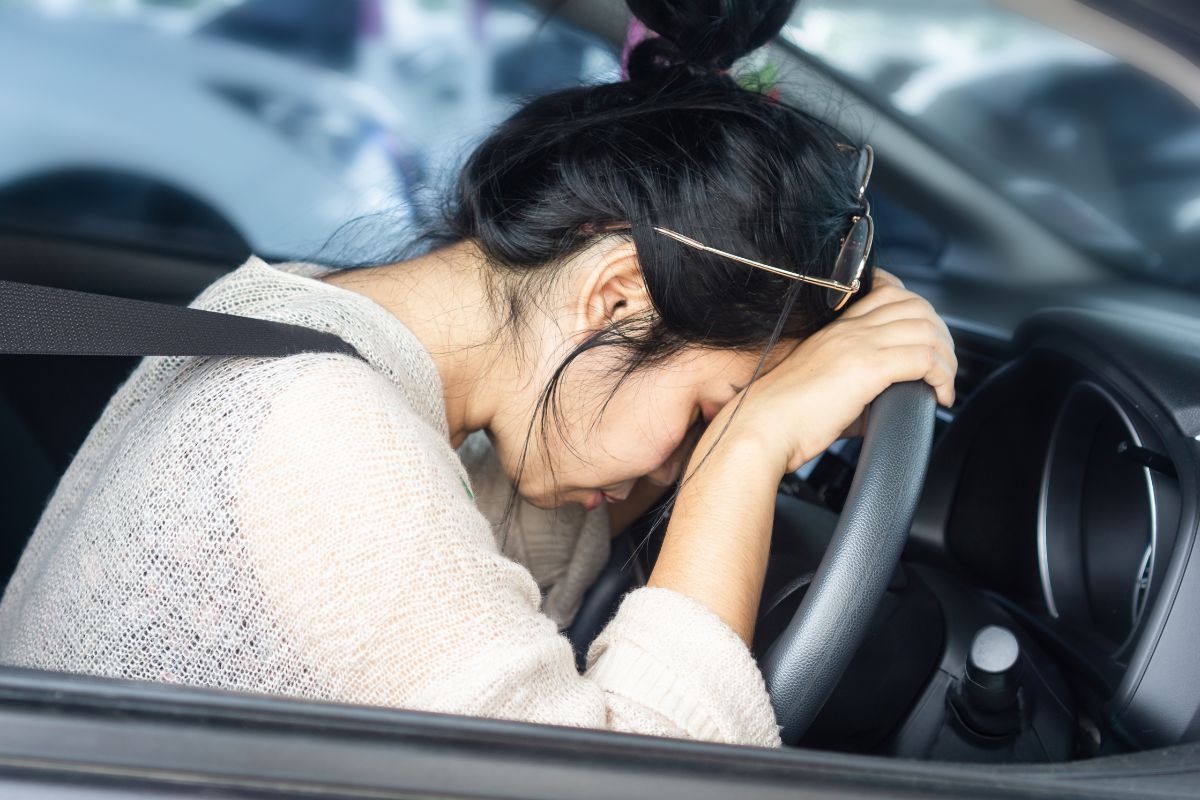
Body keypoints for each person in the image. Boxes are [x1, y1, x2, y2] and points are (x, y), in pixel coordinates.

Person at [0, 0, 956, 748]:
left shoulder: (305, 318)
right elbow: (636, 786)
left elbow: (484, 569)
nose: (683, 462)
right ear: (618, 295)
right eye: (706, 409)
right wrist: (749, 452)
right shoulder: (321, 436)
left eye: (713, 430)